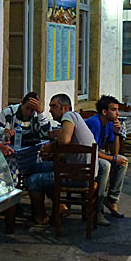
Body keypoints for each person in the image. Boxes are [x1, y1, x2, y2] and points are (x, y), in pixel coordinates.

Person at [23, 94, 102, 226]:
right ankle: (58, 205)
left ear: (65, 108)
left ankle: (40, 216)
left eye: (53, 106)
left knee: (32, 181)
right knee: (36, 168)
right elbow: (73, 151)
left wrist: (50, 147)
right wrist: (53, 155)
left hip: (78, 176)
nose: (50, 110)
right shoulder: (76, 118)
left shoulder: (69, 116)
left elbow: (64, 141)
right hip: (83, 171)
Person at [84, 95, 129, 219]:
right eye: (114, 110)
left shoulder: (109, 123)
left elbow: (115, 152)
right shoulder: (94, 123)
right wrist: (113, 159)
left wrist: (116, 133)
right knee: (105, 165)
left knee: (123, 161)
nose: (118, 113)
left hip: (95, 154)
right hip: (84, 158)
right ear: (104, 112)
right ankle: (97, 209)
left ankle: (111, 199)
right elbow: (91, 150)